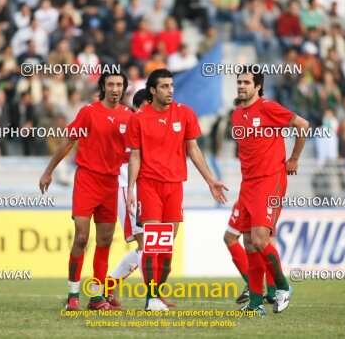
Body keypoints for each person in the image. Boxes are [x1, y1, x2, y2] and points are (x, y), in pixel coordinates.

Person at [126, 69, 228, 311]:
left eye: (171, 85)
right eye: (164, 86)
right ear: (152, 90)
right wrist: (131, 188)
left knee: (166, 247)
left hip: (174, 187)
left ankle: (157, 295)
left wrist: (210, 180)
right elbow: (135, 156)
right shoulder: (139, 118)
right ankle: (151, 299)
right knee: (153, 243)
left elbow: (193, 149)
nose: (170, 90)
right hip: (149, 185)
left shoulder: (184, 113)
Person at [39, 71, 132, 311]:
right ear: (103, 86)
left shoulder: (128, 116)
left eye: (119, 84)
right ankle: (72, 295)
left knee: (105, 240)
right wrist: (49, 171)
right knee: (81, 237)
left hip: (111, 183)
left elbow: (137, 151)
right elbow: (68, 141)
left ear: (124, 88)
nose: (115, 88)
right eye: (110, 84)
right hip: (87, 180)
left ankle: (97, 297)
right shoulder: (88, 112)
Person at [232, 68, 308, 315]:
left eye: (246, 82)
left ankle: (283, 287)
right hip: (248, 184)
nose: (241, 86)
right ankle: (255, 304)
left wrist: (294, 158)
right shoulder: (236, 115)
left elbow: (303, 125)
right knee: (249, 243)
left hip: (270, 180)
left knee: (260, 239)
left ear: (258, 87)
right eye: (239, 82)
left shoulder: (268, 107)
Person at [104, 89, 151, 308]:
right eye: (146, 106)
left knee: (148, 245)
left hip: (144, 187)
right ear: (137, 108)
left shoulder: (147, 124)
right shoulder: (131, 122)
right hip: (126, 185)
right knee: (144, 244)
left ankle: (108, 286)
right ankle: (153, 297)